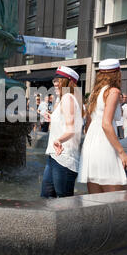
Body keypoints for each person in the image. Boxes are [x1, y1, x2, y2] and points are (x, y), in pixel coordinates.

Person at [78, 59, 127, 194]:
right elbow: (106, 124)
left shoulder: (95, 93)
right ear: (117, 73)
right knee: (114, 198)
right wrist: (122, 152)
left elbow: (88, 125)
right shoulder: (113, 92)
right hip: (105, 146)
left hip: (91, 146)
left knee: (94, 200)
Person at [41, 66, 83, 198]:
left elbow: (71, 129)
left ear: (69, 82)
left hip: (64, 156)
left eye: (59, 81)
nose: (55, 84)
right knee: (47, 196)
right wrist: (52, 117)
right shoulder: (63, 99)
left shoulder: (68, 98)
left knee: (63, 200)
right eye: (55, 80)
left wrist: (59, 140)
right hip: (55, 155)